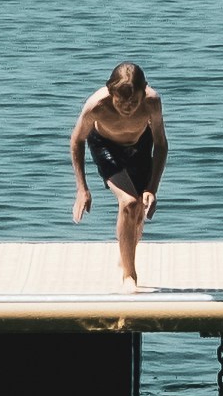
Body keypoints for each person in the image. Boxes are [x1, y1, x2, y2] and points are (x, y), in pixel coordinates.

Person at [66, 61, 172, 284]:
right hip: (105, 146)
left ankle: (126, 255)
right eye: (121, 101)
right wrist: (81, 188)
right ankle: (129, 276)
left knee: (139, 212)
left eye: (134, 101)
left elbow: (161, 144)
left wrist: (152, 188)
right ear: (111, 92)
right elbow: (77, 140)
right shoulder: (97, 105)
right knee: (129, 203)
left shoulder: (152, 102)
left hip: (141, 144)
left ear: (144, 93)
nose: (127, 107)